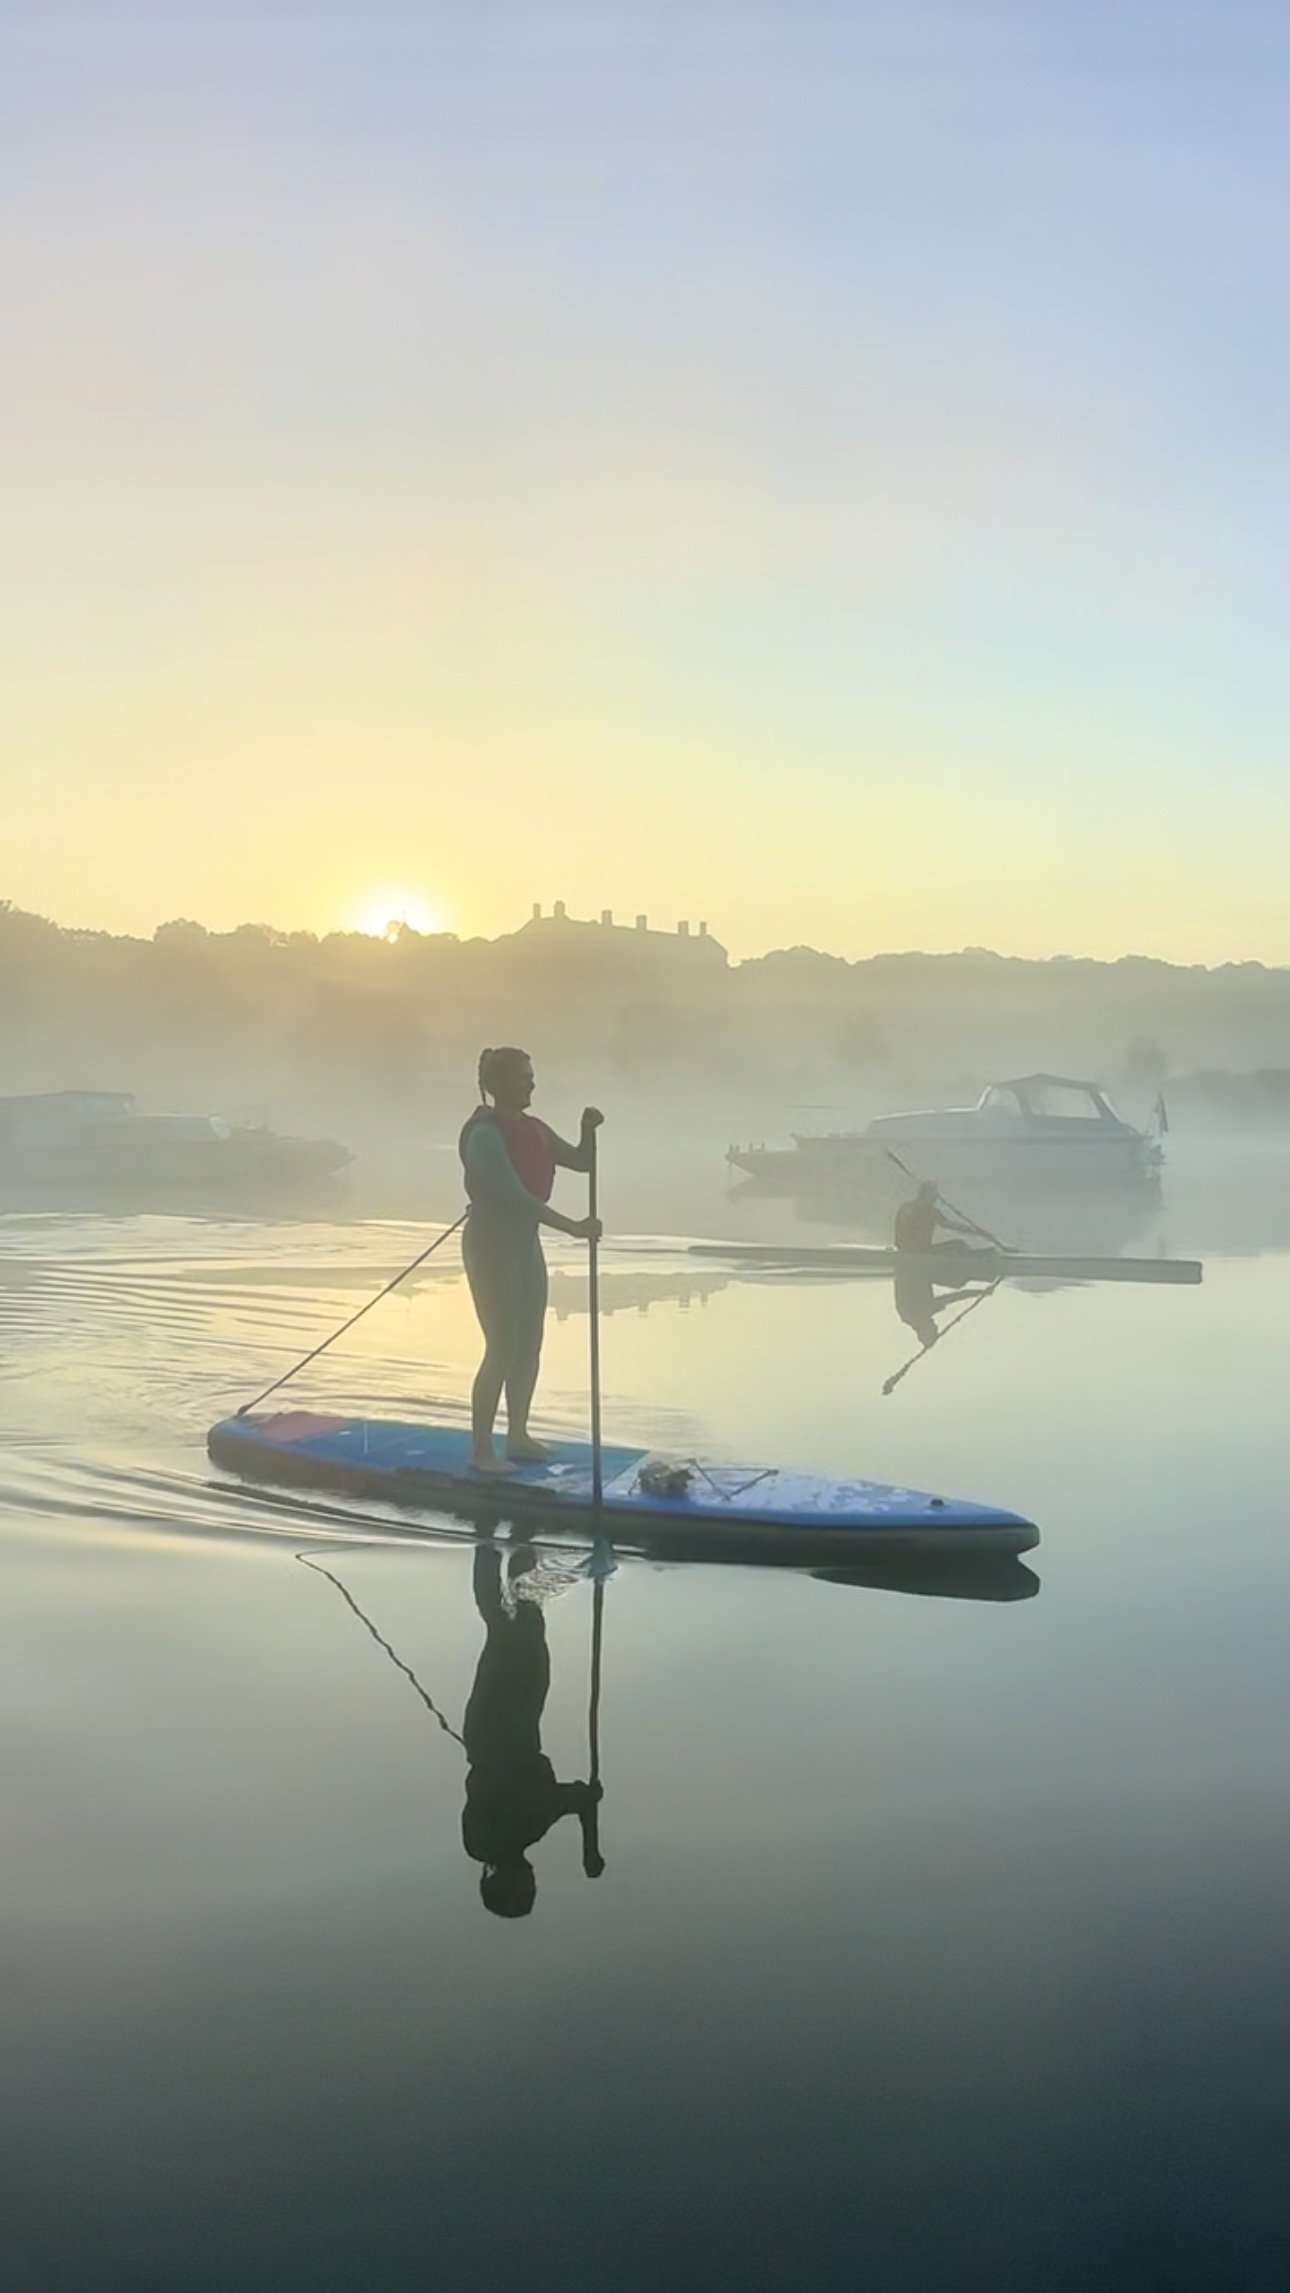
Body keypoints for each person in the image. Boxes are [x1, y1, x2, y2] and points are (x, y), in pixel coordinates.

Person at [459, 1046, 602, 1475]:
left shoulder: (534, 1129)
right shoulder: (485, 1135)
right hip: (490, 1246)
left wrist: (587, 1129)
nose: (531, 1083)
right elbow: (519, 1200)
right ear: (497, 1084)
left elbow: (582, 1161)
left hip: (525, 1246)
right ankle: (483, 1452)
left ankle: (518, 1436)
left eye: (530, 1075)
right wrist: (575, 1228)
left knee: (529, 1342)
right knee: (501, 1346)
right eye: (522, 1077)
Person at [461, 1541, 604, 1918]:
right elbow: (579, 1799)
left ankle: (493, 1540)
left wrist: (589, 1845)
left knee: (514, 1627)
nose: (533, 1883)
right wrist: (588, 1843)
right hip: (495, 1727)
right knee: (510, 1624)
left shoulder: (498, 1837)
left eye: (525, 1890)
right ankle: (506, 1543)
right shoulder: (504, 1838)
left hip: (503, 1724)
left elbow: (575, 1799)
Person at [893, 1177, 981, 1256]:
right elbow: (948, 1224)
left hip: (913, 1251)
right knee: (959, 1245)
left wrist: (973, 1230)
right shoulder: (921, 1211)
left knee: (959, 1244)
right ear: (925, 1195)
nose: (935, 1198)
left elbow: (950, 1225)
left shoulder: (908, 1208)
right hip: (918, 1252)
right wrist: (974, 1230)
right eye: (934, 1195)